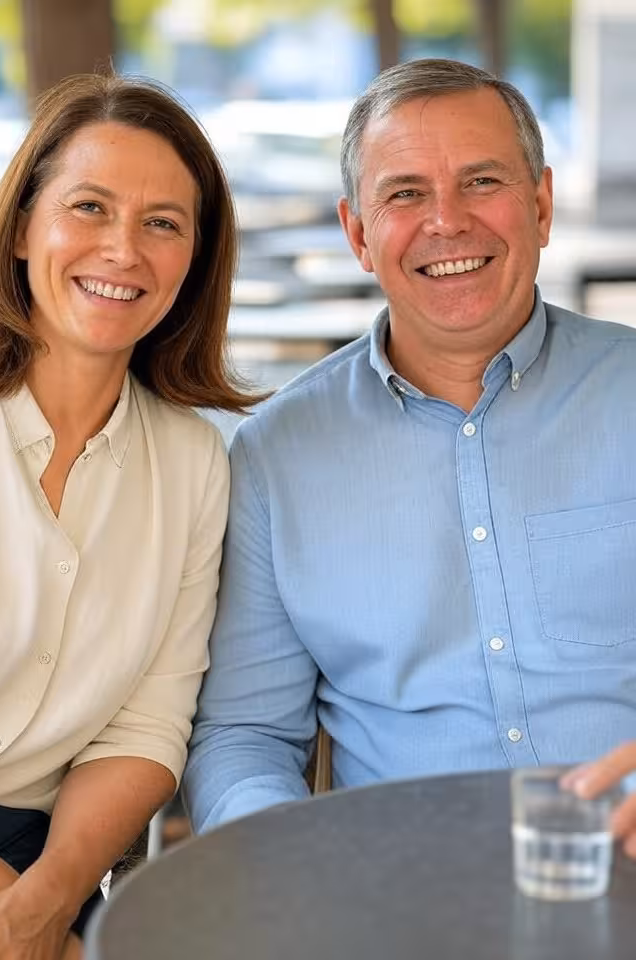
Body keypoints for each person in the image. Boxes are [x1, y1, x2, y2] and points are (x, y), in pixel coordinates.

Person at [182, 58, 636, 841]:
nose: (447, 221)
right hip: (403, 885)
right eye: (405, 193)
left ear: (541, 205)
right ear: (359, 233)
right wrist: (287, 860)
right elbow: (246, 735)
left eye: (482, 181)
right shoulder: (275, 458)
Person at [0, 72, 260, 958]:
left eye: (163, 224)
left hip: (43, 865)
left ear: (195, 260)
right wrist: (29, 924)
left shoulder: (193, 463)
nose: (123, 250)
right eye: (90, 207)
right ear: (22, 225)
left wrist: (50, 902)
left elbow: (144, 727)